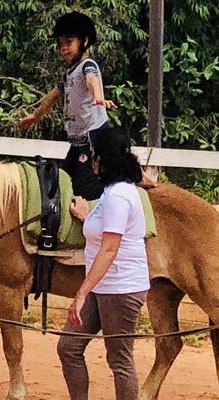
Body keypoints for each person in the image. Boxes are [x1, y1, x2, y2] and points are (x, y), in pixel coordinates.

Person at [57, 127, 150, 400]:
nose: (91, 161)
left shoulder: (119, 195)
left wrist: (81, 293)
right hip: (104, 287)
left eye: (94, 155)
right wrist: (86, 217)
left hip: (121, 288)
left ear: (102, 158)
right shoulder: (111, 193)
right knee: (69, 348)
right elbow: (108, 230)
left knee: (120, 360)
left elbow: (110, 249)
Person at [19, 11, 116, 200]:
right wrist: (35, 116)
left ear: (84, 41)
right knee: (63, 179)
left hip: (93, 138)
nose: (63, 48)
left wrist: (98, 97)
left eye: (69, 42)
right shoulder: (69, 74)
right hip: (78, 141)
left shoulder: (88, 65)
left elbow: (91, 79)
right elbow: (52, 96)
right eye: (60, 44)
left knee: (86, 188)